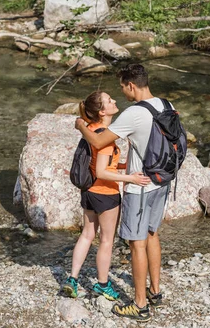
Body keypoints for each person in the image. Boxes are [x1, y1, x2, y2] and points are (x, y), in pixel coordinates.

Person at [75, 64, 172, 322]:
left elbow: (98, 141)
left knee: (136, 243)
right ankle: (155, 291)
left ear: (131, 85)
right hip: (162, 181)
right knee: (152, 234)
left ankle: (140, 305)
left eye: (121, 87)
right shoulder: (166, 104)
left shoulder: (134, 113)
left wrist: (80, 125)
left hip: (139, 187)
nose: (121, 92)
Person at [63, 90, 150, 301]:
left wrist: (123, 165)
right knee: (106, 241)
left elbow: (101, 164)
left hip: (89, 191)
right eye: (109, 101)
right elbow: (102, 171)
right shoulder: (105, 138)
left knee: (86, 235)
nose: (114, 101)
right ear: (102, 111)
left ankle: (72, 279)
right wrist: (131, 178)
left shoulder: (91, 130)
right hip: (105, 193)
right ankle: (102, 284)